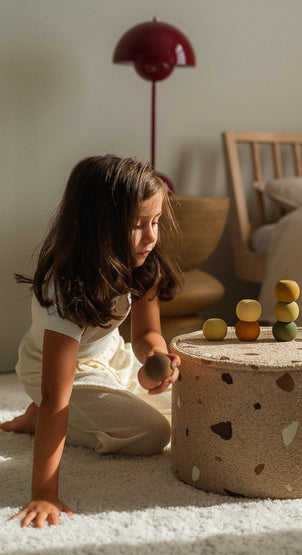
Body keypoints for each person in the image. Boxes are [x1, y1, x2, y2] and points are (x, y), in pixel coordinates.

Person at [0, 155, 182, 528]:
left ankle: (46, 415)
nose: (151, 237)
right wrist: (44, 492)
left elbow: (146, 335)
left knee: (189, 402)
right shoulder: (68, 285)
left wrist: (155, 363)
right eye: (138, 226)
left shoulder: (142, 260)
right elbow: (58, 396)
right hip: (56, 374)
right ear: (98, 227)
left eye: (156, 222)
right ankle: (36, 419)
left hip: (110, 357)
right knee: (153, 435)